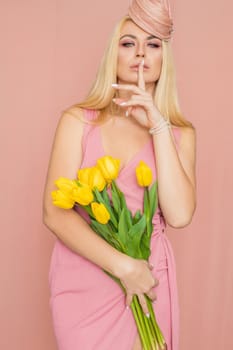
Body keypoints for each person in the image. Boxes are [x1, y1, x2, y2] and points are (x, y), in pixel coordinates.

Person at [42, 0, 196, 349]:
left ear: (164, 57)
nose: (140, 53)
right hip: (86, 279)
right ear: (114, 53)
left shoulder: (180, 135)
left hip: (149, 278)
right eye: (128, 43)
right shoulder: (78, 121)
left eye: (153, 44)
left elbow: (180, 214)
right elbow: (54, 213)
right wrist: (125, 267)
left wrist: (158, 126)